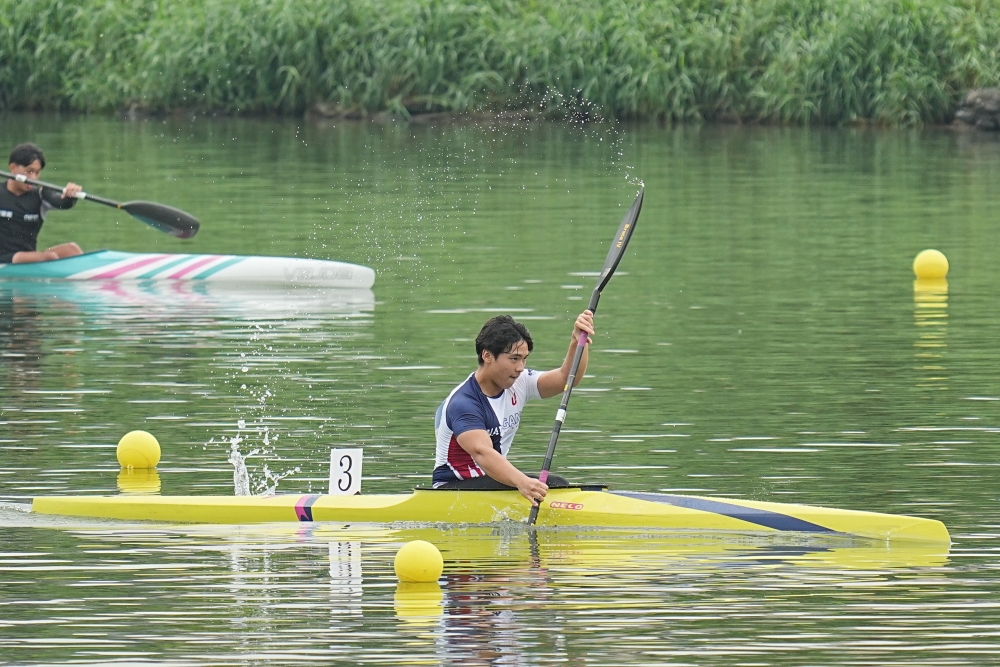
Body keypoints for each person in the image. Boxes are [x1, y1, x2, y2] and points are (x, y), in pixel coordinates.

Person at [433, 310, 595, 505]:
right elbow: (482, 452)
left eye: (524, 359)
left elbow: (566, 379)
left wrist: (578, 341)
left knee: (554, 484)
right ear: (487, 355)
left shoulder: (520, 382)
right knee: (554, 484)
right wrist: (522, 482)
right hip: (453, 490)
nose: (520, 367)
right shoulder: (464, 403)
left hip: (492, 482)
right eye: (514, 359)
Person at [0, 143, 83, 264]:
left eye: (37, 172)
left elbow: (62, 203)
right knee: (50, 258)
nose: (33, 178)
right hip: (4, 259)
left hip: (29, 257)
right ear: (13, 168)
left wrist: (70, 196)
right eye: (29, 171)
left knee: (72, 250)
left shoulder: (40, 194)